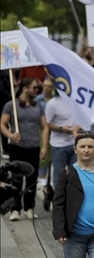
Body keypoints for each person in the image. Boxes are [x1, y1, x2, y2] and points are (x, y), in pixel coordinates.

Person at [1, 77, 48, 220]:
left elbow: (44, 126)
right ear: (25, 88)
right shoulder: (11, 105)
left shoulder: (38, 106)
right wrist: (11, 135)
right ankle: (15, 209)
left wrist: (44, 146)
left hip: (33, 146)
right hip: (17, 147)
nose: (36, 90)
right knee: (16, 179)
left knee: (32, 179)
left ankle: (29, 207)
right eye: (34, 88)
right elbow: (2, 124)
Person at [44, 78, 79, 212]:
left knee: (74, 175)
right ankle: (58, 202)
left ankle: (71, 202)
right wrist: (61, 129)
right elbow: (48, 123)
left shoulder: (75, 102)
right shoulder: (52, 104)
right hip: (58, 145)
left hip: (74, 143)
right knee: (59, 175)